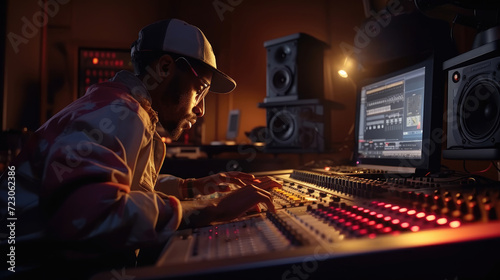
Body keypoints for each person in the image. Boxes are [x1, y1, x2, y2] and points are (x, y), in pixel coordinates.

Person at [0, 19, 281, 279]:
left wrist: (189, 188)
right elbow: (86, 215)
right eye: (201, 90)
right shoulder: (119, 112)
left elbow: (120, 183)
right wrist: (208, 209)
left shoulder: (117, 107)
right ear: (165, 68)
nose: (201, 109)